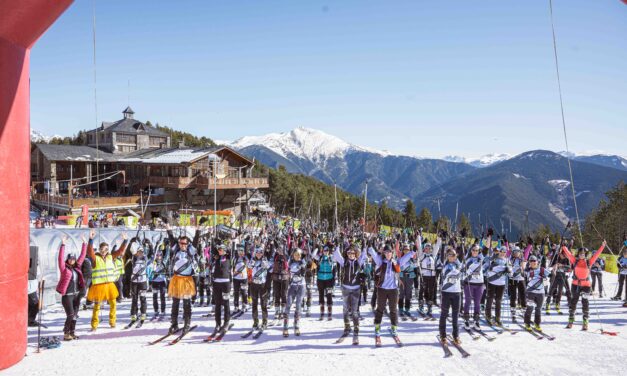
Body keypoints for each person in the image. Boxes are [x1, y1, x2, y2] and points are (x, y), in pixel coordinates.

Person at [369, 243, 415, 340]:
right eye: (386, 252)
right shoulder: (381, 262)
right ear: (384, 253)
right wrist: (370, 246)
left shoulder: (396, 262)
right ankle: (377, 327)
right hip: (382, 289)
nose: (388, 254)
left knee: (393, 310)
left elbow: (405, 258)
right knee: (380, 309)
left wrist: (412, 252)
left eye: (389, 252)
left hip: (393, 290)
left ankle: (394, 327)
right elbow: (373, 255)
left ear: (392, 253)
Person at [86, 229, 128, 331]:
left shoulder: (111, 257)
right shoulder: (95, 258)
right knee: (97, 306)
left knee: (113, 304)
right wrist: (90, 239)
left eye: (106, 249)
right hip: (98, 286)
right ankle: (94, 325)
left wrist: (125, 241)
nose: (104, 251)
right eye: (102, 249)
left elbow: (121, 251)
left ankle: (112, 321)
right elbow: (89, 251)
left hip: (109, 285)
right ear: (100, 250)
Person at [562, 240, 606, 330]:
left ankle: (585, 322)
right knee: (573, 303)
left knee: (585, 303)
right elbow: (568, 253)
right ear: (578, 254)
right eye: (580, 253)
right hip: (575, 285)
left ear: (586, 254)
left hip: (586, 285)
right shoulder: (575, 261)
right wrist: (563, 246)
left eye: (584, 253)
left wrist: (602, 246)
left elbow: (596, 255)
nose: (582, 254)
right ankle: (570, 321)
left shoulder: (589, 262)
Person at [166, 224, 200, 334]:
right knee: (175, 303)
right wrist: (169, 228)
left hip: (186, 280)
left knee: (186, 303)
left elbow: (196, 241)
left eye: (185, 243)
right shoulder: (176, 250)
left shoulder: (191, 251)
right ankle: (174, 324)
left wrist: (198, 230)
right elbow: (171, 239)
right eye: (181, 243)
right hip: (176, 279)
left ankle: (187, 323)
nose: (183, 245)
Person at [56, 235, 87, 340]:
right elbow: (60, 258)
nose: (72, 261)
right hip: (67, 296)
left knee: (75, 315)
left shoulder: (77, 267)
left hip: (76, 295)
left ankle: (72, 332)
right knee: (70, 314)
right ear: (67, 259)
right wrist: (63, 244)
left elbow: (82, 256)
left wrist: (84, 243)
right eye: (70, 259)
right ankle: (66, 333)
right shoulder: (64, 268)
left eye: (73, 259)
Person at [334, 243, 367, 338]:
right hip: (346, 288)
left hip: (356, 288)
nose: (351, 255)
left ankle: (356, 326)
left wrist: (365, 246)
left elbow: (364, 255)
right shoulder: (344, 262)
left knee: (354, 310)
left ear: (356, 254)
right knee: (345, 309)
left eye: (353, 253)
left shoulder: (358, 262)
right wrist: (337, 245)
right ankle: (347, 326)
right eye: (349, 253)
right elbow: (336, 255)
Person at [439, 247, 463, 346]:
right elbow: (441, 254)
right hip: (446, 292)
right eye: (450, 255)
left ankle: (456, 335)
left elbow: (462, 253)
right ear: (447, 256)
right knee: (444, 314)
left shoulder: (459, 265)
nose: (452, 256)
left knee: (455, 316)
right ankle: (443, 335)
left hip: (457, 293)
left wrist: (461, 242)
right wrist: (443, 242)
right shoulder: (444, 264)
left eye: (453, 255)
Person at [484, 245, 510, 326]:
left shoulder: (507, 260)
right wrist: (489, 266)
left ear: (506, 253)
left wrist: (508, 270)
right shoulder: (493, 258)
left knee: (498, 301)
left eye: (504, 252)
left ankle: (497, 318)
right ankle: (488, 316)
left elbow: (511, 271)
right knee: (490, 299)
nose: (502, 253)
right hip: (492, 282)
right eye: (501, 251)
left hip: (501, 284)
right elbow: (485, 262)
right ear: (499, 252)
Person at [523, 255, 551, 332]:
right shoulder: (528, 271)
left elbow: (551, 276)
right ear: (529, 262)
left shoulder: (542, 270)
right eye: (531, 261)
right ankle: (527, 323)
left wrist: (549, 274)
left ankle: (537, 324)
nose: (533, 262)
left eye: (534, 261)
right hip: (530, 292)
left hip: (541, 293)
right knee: (530, 308)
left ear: (537, 262)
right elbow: (524, 275)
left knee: (538, 309)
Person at [284, 248, 307, 336]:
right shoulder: (291, 263)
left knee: (298, 305)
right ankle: (285, 326)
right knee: (288, 303)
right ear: (293, 255)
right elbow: (290, 267)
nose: (298, 256)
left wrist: (303, 266)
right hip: (293, 286)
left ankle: (296, 324)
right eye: (296, 254)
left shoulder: (302, 262)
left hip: (301, 286)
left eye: (299, 255)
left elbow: (305, 270)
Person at [462, 244, 484, 330]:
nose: (475, 252)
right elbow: (462, 269)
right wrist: (466, 270)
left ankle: (476, 321)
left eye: (477, 250)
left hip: (479, 283)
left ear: (479, 252)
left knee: (477, 303)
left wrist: (489, 236)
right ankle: (466, 320)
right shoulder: (468, 259)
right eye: (473, 250)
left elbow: (486, 247)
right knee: (468, 302)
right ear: (471, 251)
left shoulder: (481, 258)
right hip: (469, 283)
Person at [418, 237, 441, 318]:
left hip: (432, 276)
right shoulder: (422, 256)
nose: (428, 249)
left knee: (431, 292)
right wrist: (418, 237)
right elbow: (419, 247)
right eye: (426, 248)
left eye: (429, 248)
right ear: (424, 249)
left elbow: (437, 247)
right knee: (422, 290)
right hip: (423, 276)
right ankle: (421, 306)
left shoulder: (433, 255)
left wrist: (439, 239)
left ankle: (429, 306)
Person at [211, 243, 232, 333]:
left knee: (226, 304)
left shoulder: (228, 257)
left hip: (225, 283)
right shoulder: (216, 257)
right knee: (217, 304)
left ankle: (226, 323)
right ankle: (218, 323)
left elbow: (231, 251)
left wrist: (232, 240)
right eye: (219, 250)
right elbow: (213, 248)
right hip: (216, 283)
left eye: (221, 250)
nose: (220, 251)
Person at [248, 246, 270, 329]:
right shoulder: (252, 260)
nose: (259, 254)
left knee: (263, 304)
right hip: (254, 284)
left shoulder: (264, 260)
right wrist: (252, 263)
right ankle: (255, 321)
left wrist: (264, 264)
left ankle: (264, 321)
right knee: (254, 303)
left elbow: (268, 267)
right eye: (257, 252)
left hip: (262, 285)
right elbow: (249, 267)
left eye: (260, 253)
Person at [545, 249, 571, 314]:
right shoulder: (556, 257)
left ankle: (557, 304)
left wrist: (562, 265)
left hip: (562, 276)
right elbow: (549, 266)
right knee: (551, 290)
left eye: (565, 255)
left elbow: (569, 267)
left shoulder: (566, 259)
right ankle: (547, 304)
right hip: (555, 275)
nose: (564, 256)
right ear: (560, 254)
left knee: (560, 291)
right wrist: (554, 266)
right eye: (563, 255)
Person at [313, 245, 335, 320]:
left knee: (329, 294)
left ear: (329, 251)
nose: (326, 252)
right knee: (321, 295)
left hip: (329, 279)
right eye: (325, 251)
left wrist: (335, 249)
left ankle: (329, 313)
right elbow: (313, 255)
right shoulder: (320, 258)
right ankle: (322, 313)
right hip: (320, 279)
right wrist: (317, 248)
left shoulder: (331, 258)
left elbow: (337, 256)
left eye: (327, 251)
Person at [149, 243, 169, 319]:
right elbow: (151, 254)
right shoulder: (153, 261)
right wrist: (154, 246)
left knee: (162, 296)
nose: (158, 257)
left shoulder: (164, 261)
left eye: (159, 255)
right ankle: (156, 310)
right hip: (154, 282)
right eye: (157, 255)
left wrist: (168, 247)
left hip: (162, 282)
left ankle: (163, 310)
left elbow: (167, 254)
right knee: (155, 297)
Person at [398, 243, 418, 318]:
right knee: (402, 292)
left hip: (410, 276)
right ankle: (400, 308)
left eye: (407, 250)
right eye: (405, 250)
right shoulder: (401, 258)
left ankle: (407, 308)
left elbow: (415, 266)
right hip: (402, 276)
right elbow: (400, 266)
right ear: (403, 251)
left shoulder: (412, 258)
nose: (406, 251)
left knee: (408, 292)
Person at [507, 246, 528, 319]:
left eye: (518, 252)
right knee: (513, 296)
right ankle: (513, 311)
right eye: (515, 252)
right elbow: (509, 268)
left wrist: (522, 266)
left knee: (523, 295)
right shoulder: (510, 259)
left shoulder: (522, 259)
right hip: (513, 279)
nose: (516, 253)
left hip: (521, 279)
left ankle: (524, 310)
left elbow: (523, 267)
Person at [271, 243, 290, 322]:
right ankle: (277, 311)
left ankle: (283, 311)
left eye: (281, 249)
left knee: (284, 294)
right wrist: (272, 243)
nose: (280, 251)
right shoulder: (275, 256)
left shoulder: (286, 256)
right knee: (277, 294)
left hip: (285, 278)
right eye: (279, 249)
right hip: (276, 277)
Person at [232, 245, 249, 313]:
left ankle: (244, 305)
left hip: (243, 278)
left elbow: (249, 264)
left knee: (244, 292)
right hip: (236, 278)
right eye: (239, 251)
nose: (240, 252)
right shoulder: (235, 258)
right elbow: (232, 265)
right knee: (236, 292)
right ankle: (236, 306)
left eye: (241, 251)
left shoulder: (245, 258)